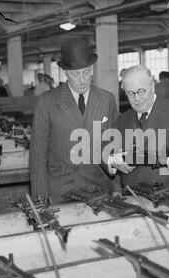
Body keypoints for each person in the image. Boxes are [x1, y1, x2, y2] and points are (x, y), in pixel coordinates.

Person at [30, 39, 119, 203]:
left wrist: (117, 190)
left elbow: (112, 145)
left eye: (86, 72)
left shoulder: (107, 99)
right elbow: (38, 157)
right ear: (65, 72)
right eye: (75, 74)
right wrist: (40, 201)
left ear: (92, 69)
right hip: (60, 191)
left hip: (98, 190)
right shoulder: (47, 101)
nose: (82, 79)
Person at [107, 66, 169, 190]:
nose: (137, 99)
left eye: (141, 91)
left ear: (152, 85)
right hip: (134, 198)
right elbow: (106, 146)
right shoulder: (122, 120)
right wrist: (112, 160)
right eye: (130, 93)